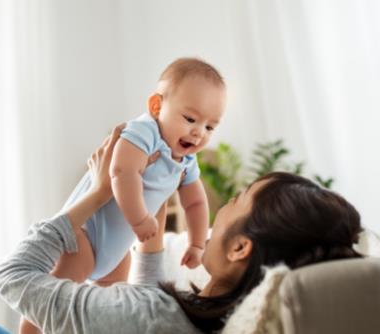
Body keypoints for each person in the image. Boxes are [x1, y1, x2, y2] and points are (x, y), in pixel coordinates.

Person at [0, 125, 363, 334]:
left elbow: (11, 278)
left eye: (235, 202)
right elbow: (141, 317)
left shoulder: (151, 317)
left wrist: (91, 196)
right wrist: (149, 249)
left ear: (241, 247)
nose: (218, 207)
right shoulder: (211, 323)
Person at [20, 56, 226, 333]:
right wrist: (140, 219)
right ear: (156, 106)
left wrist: (197, 243)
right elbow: (121, 173)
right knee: (50, 300)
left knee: (112, 301)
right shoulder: (144, 131)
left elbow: (196, 202)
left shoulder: (187, 161)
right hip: (85, 235)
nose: (199, 132)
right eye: (190, 118)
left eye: (210, 127)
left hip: (117, 250)